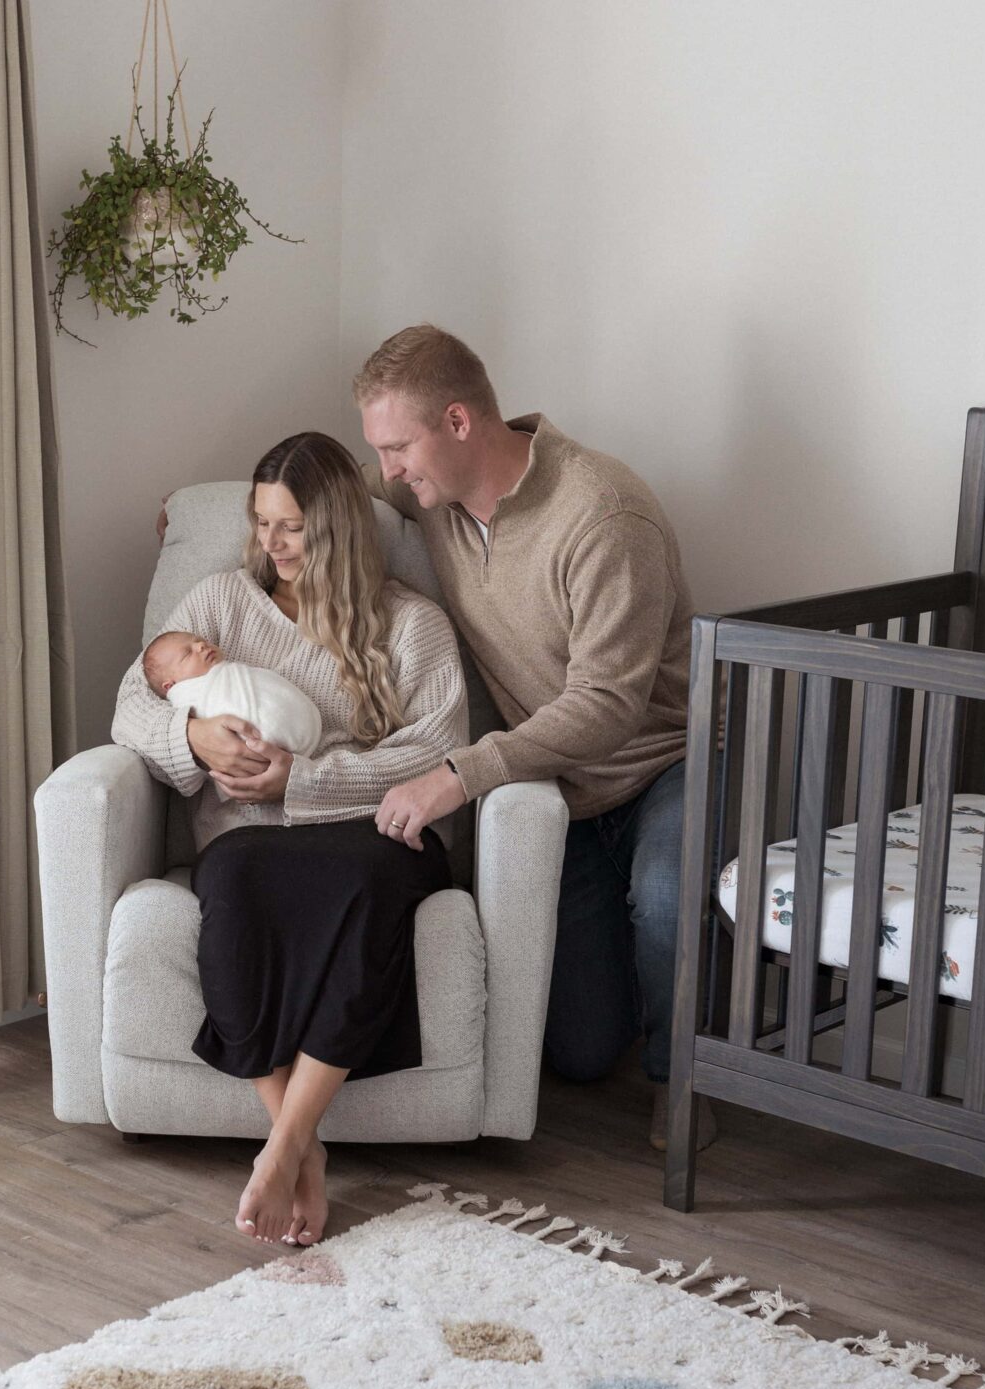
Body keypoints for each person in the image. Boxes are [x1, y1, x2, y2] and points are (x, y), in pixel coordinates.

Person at [353, 324, 713, 1151]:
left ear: (458, 421)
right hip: (569, 789)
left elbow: (610, 705)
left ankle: (681, 1082)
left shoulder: (604, 511)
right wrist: (233, 511)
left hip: (669, 761)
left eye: (397, 446)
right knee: (580, 1056)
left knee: (664, 892)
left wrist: (463, 772)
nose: (389, 472)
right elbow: (340, 489)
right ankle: (642, 986)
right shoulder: (434, 495)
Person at [114, 430, 467, 1246]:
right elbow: (133, 703)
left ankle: (280, 1148)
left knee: (371, 884)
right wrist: (194, 742)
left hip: (376, 836)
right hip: (253, 844)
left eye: (292, 527)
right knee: (229, 877)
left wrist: (300, 782)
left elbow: (436, 749)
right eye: (261, 522)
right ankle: (298, 1147)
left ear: (338, 527)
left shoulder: (412, 627)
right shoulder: (219, 603)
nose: (270, 544)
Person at [140, 629, 324, 756]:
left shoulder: (231, 673)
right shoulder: (187, 697)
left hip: (303, 734)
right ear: (170, 686)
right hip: (254, 749)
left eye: (201, 641)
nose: (201, 646)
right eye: (188, 653)